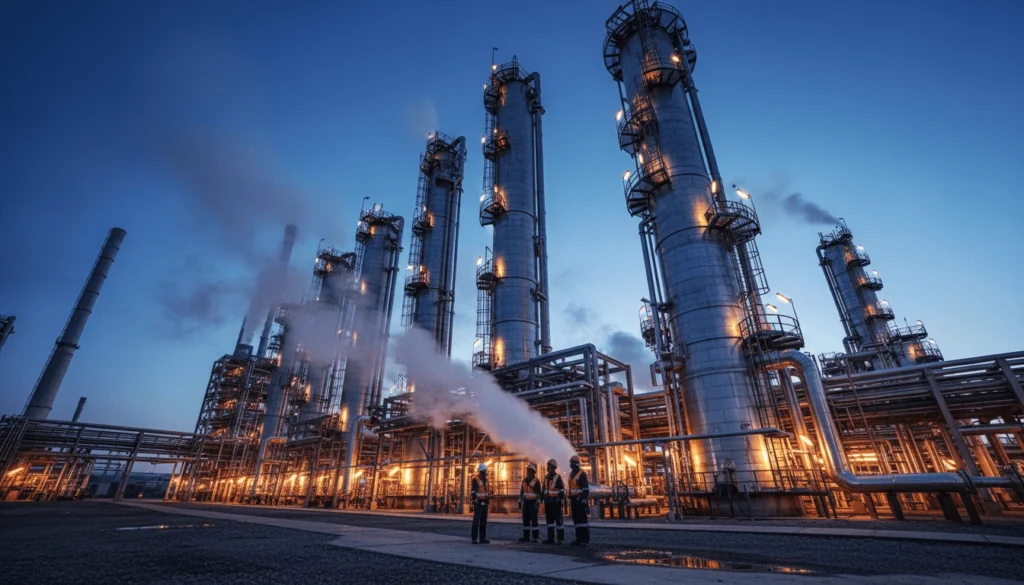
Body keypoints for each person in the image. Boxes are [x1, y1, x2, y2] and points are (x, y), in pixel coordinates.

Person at [567, 454, 591, 546]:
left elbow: (585, 489)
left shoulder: (582, 474)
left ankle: (585, 540)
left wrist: (580, 498)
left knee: (583, 520)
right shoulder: (571, 474)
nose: (570, 465)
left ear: (576, 464)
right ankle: (578, 538)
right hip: (574, 500)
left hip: (580, 501)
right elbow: (571, 488)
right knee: (576, 520)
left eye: (571, 463)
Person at [541, 458, 565, 544]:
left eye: (549, 466)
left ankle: (560, 539)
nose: (547, 467)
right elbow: (544, 489)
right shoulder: (546, 477)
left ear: (553, 467)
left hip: (556, 503)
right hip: (548, 503)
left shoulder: (558, 477)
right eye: (548, 465)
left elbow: (562, 490)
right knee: (550, 522)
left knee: (558, 521)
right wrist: (542, 498)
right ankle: (550, 539)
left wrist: (559, 499)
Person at [518, 462, 542, 543]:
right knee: (525, 520)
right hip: (526, 503)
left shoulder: (536, 481)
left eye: (529, 471)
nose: (527, 472)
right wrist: (519, 500)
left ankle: (536, 537)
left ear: (533, 472)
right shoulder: (524, 480)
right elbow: (522, 491)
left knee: (534, 520)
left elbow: (539, 493)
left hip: (533, 503)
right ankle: (526, 537)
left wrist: (538, 502)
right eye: (527, 470)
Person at [470, 462, 490, 544]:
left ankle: (482, 538)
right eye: (485, 471)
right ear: (481, 472)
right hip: (478, 503)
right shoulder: (475, 479)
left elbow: (486, 491)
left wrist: (486, 500)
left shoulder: (486, 480)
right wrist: (477, 501)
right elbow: (473, 492)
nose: (486, 472)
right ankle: (474, 539)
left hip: (485, 503)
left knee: (483, 521)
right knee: (476, 520)